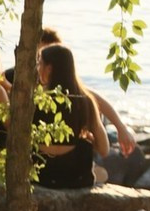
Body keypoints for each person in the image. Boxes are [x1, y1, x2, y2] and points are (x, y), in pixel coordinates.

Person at [6, 28, 137, 156]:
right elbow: (104, 149)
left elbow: (96, 98)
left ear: (50, 67)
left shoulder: (41, 98)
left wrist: (121, 128)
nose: (38, 64)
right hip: (74, 171)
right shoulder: (17, 76)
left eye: (41, 59)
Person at [34, 43, 109, 189]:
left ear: (49, 69)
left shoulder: (35, 100)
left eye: (40, 63)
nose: (37, 68)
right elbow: (104, 149)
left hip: (40, 176)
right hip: (75, 178)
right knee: (84, 143)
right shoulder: (85, 100)